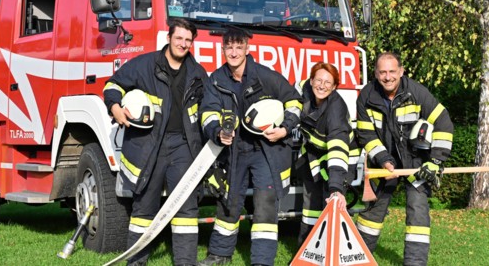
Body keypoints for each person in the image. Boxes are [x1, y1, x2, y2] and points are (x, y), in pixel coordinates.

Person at [103, 18, 208, 266]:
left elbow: (209, 105)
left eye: (188, 40)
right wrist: (115, 107)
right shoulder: (144, 65)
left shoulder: (198, 73)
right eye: (179, 38)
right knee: (144, 207)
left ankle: (185, 262)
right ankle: (136, 262)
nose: (182, 44)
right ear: (169, 38)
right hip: (151, 145)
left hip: (183, 146)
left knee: (185, 208)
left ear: (192, 43)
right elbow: (113, 84)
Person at [198, 29, 302, 266]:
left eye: (238, 47)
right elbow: (208, 112)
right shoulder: (216, 79)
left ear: (247, 49)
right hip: (233, 151)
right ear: (222, 49)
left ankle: (262, 261)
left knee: (265, 203)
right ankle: (219, 254)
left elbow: (295, 101)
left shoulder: (265, 76)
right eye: (229, 47)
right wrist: (217, 132)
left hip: (265, 150)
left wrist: (285, 129)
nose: (233, 52)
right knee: (228, 200)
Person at [355, 52, 454, 266]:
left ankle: (415, 263)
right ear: (375, 73)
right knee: (372, 212)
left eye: (392, 71)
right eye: (382, 72)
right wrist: (382, 158)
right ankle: (357, 257)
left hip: (416, 164)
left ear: (401, 71)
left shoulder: (417, 93)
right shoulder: (366, 95)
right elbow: (365, 133)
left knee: (418, 211)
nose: (388, 77)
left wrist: (435, 162)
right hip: (382, 163)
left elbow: (444, 124)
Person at [295, 62, 360, 246]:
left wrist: (336, 188)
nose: (322, 86)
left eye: (327, 82)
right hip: (315, 157)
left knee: (331, 206)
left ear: (334, 87)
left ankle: (331, 253)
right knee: (310, 208)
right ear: (311, 80)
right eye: (318, 80)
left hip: (340, 160)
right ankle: (305, 251)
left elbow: (338, 150)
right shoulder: (302, 89)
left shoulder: (335, 109)